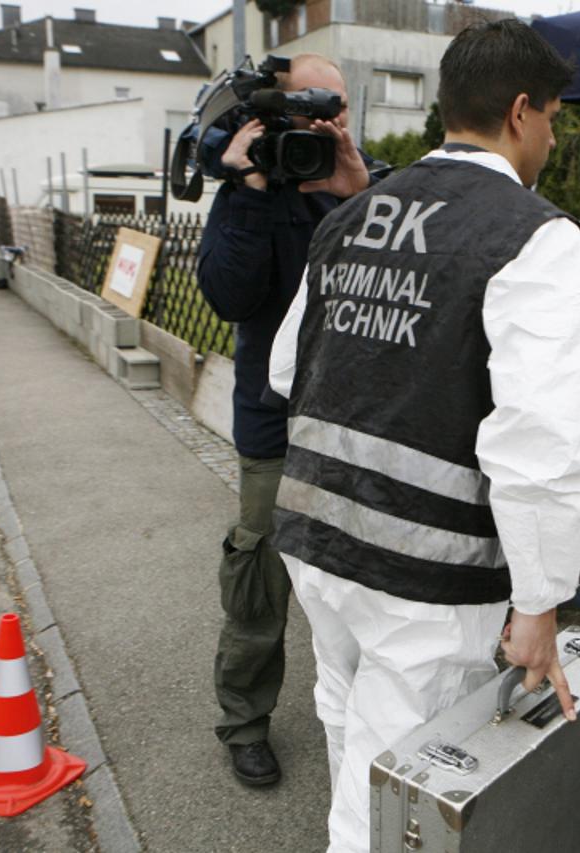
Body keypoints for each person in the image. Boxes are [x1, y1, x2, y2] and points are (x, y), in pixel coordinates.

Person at [267, 19, 580, 852]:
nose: (552, 138)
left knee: (345, 711)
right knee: (396, 782)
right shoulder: (533, 234)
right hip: (424, 570)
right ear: (521, 112)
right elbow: (542, 443)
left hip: (315, 532)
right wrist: (540, 598)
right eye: (553, 118)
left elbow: (284, 369)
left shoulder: (353, 214)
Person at [196, 53, 376, 788]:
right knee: (259, 584)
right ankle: (244, 721)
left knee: (362, 582)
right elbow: (231, 298)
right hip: (274, 429)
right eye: (305, 110)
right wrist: (250, 186)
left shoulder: (364, 186)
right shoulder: (252, 187)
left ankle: (369, 711)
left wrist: (359, 190)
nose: (320, 123)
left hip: (356, 425)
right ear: (275, 113)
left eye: (332, 108)